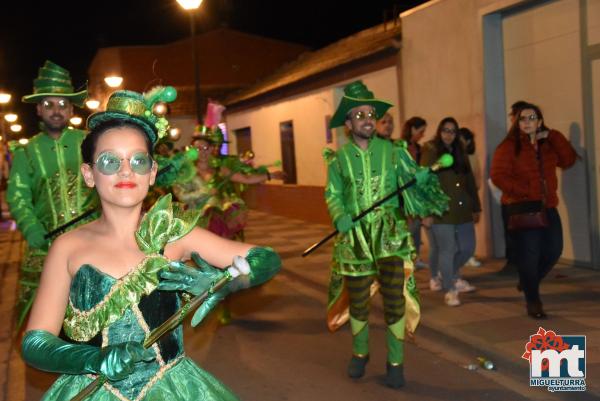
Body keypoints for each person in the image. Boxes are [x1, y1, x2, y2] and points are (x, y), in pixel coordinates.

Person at [20, 86, 281, 400]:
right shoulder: (67, 247)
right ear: (89, 175)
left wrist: (225, 284)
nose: (126, 170)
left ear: (153, 172)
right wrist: (92, 358)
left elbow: (266, 258)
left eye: (138, 161)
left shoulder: (175, 235)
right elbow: (35, 342)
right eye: (109, 162)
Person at [324, 81, 448, 388]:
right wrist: (339, 216)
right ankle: (360, 352)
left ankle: (396, 363)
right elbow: (334, 194)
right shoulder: (338, 159)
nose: (367, 119)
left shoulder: (394, 152)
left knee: (394, 299)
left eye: (371, 114)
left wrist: (419, 176)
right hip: (354, 239)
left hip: (391, 234)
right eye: (360, 114)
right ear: (349, 124)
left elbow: (414, 184)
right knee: (358, 302)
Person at [7, 60, 97, 328]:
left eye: (62, 104)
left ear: (71, 109)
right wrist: (33, 230)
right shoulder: (26, 152)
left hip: (92, 241)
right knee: (48, 321)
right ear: (38, 109)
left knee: (98, 311)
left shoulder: (89, 142)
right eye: (49, 104)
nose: (56, 110)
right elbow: (18, 196)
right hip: (46, 248)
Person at [490, 102, 576, 319]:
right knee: (529, 256)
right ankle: (533, 300)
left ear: (539, 122)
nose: (527, 122)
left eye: (532, 118)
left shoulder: (548, 143)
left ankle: (528, 281)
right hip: (523, 207)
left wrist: (553, 136)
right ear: (517, 122)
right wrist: (524, 191)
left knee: (554, 250)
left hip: (548, 206)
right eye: (522, 118)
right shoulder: (508, 146)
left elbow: (568, 160)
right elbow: (498, 176)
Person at [421, 117, 481, 306]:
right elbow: (424, 181)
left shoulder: (460, 151)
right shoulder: (431, 151)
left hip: (463, 209)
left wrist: (476, 206)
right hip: (440, 210)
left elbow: (469, 180)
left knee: (467, 248)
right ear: (439, 132)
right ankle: (450, 289)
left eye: (452, 131)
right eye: (445, 130)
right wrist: (426, 212)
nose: (449, 134)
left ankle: (449, 273)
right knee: (447, 250)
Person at [401, 116, 428, 269]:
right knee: (409, 229)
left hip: (416, 192)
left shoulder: (418, 148)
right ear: (412, 129)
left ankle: (415, 258)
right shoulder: (401, 147)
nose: (422, 134)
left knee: (416, 228)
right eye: (421, 131)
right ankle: (406, 259)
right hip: (404, 193)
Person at [458, 127, 483, 268]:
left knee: (468, 230)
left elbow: (477, 177)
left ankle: (469, 256)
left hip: (469, 197)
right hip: (457, 198)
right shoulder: (454, 156)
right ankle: (463, 257)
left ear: (468, 142)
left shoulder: (472, 156)